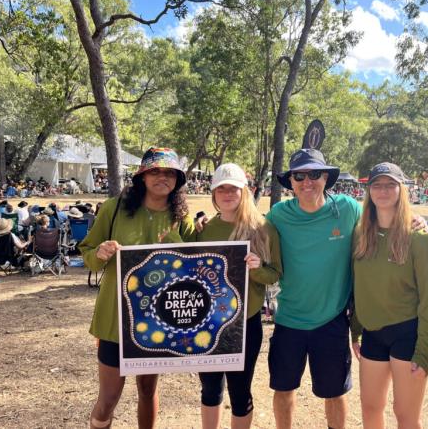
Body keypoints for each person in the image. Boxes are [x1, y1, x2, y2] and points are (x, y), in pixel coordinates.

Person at [79, 147, 196, 429]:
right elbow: (87, 255)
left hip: (158, 321)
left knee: (147, 390)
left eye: (170, 173)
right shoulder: (114, 208)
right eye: (155, 171)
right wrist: (100, 253)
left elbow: (197, 260)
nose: (162, 177)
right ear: (142, 176)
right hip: (116, 319)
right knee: (108, 398)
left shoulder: (182, 216)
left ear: (178, 180)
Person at [266, 149, 361, 429]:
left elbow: (382, 224)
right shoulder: (278, 215)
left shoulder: (348, 209)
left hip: (331, 320)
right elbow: (246, 231)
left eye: (315, 174)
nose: (307, 182)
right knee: (283, 389)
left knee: (334, 392)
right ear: (291, 182)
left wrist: (415, 223)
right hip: (288, 319)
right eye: (300, 176)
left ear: (326, 178)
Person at [351, 162, 428, 429]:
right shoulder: (360, 235)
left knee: (405, 414)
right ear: (369, 191)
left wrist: (425, 351)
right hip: (372, 333)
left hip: (407, 333)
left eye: (391, 185)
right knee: (370, 408)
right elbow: (357, 286)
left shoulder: (418, 237)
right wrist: (355, 329)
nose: (383, 191)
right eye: (377, 185)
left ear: (402, 190)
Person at [197, 163, 282, 429]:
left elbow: (275, 274)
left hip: (246, 322)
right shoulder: (204, 229)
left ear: (245, 191)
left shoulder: (263, 228)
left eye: (233, 188)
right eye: (220, 189)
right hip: (209, 323)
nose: (227, 193)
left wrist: (256, 269)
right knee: (210, 388)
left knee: (240, 391)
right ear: (213, 194)